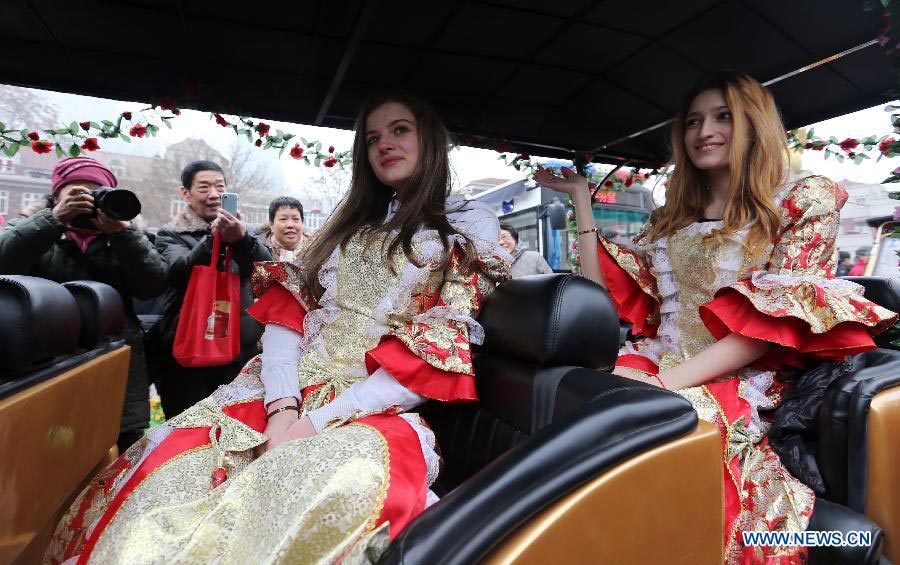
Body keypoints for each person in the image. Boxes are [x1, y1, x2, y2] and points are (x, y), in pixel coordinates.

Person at [45, 93, 510, 563]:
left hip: (369, 407)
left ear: (430, 138)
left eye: (399, 129)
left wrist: (314, 423)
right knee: (164, 476)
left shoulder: (467, 224)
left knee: (321, 498)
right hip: (281, 392)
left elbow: (437, 344)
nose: (383, 144)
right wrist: (283, 406)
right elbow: (289, 317)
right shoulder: (347, 225)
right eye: (372, 137)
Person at [536, 72, 897, 563]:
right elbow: (606, 295)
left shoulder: (801, 199)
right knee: (575, 398)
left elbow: (764, 330)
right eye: (694, 121)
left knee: (650, 427)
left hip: (743, 376)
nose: (705, 130)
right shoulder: (674, 216)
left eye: (723, 116)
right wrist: (581, 200)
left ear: (755, 123)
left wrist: (665, 385)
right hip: (662, 360)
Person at [0, 156, 168, 451]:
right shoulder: (33, 226)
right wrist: (54, 220)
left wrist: (123, 235)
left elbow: (153, 283)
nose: (88, 202)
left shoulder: (124, 236)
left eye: (96, 194)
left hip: (113, 360)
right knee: (47, 449)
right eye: (77, 193)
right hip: (45, 363)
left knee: (117, 449)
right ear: (56, 196)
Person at [153, 161, 273, 418]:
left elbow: (267, 269)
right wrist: (213, 238)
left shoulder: (244, 233)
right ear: (185, 193)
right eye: (204, 187)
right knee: (187, 427)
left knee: (236, 426)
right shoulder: (171, 233)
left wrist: (241, 241)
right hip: (188, 352)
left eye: (220, 187)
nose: (213, 194)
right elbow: (177, 271)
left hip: (238, 350)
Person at [259, 195, 305, 261]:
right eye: (283, 219)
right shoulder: (259, 252)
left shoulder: (316, 251)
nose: (290, 225)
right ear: (271, 224)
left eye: (295, 219)